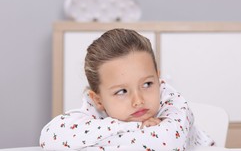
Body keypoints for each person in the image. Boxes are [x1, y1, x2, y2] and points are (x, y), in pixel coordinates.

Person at [39, 28, 214, 150]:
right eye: (121, 91)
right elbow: (49, 138)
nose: (138, 101)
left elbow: (166, 144)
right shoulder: (93, 108)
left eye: (147, 84)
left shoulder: (172, 101)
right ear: (98, 99)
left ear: (158, 79)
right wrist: (137, 128)